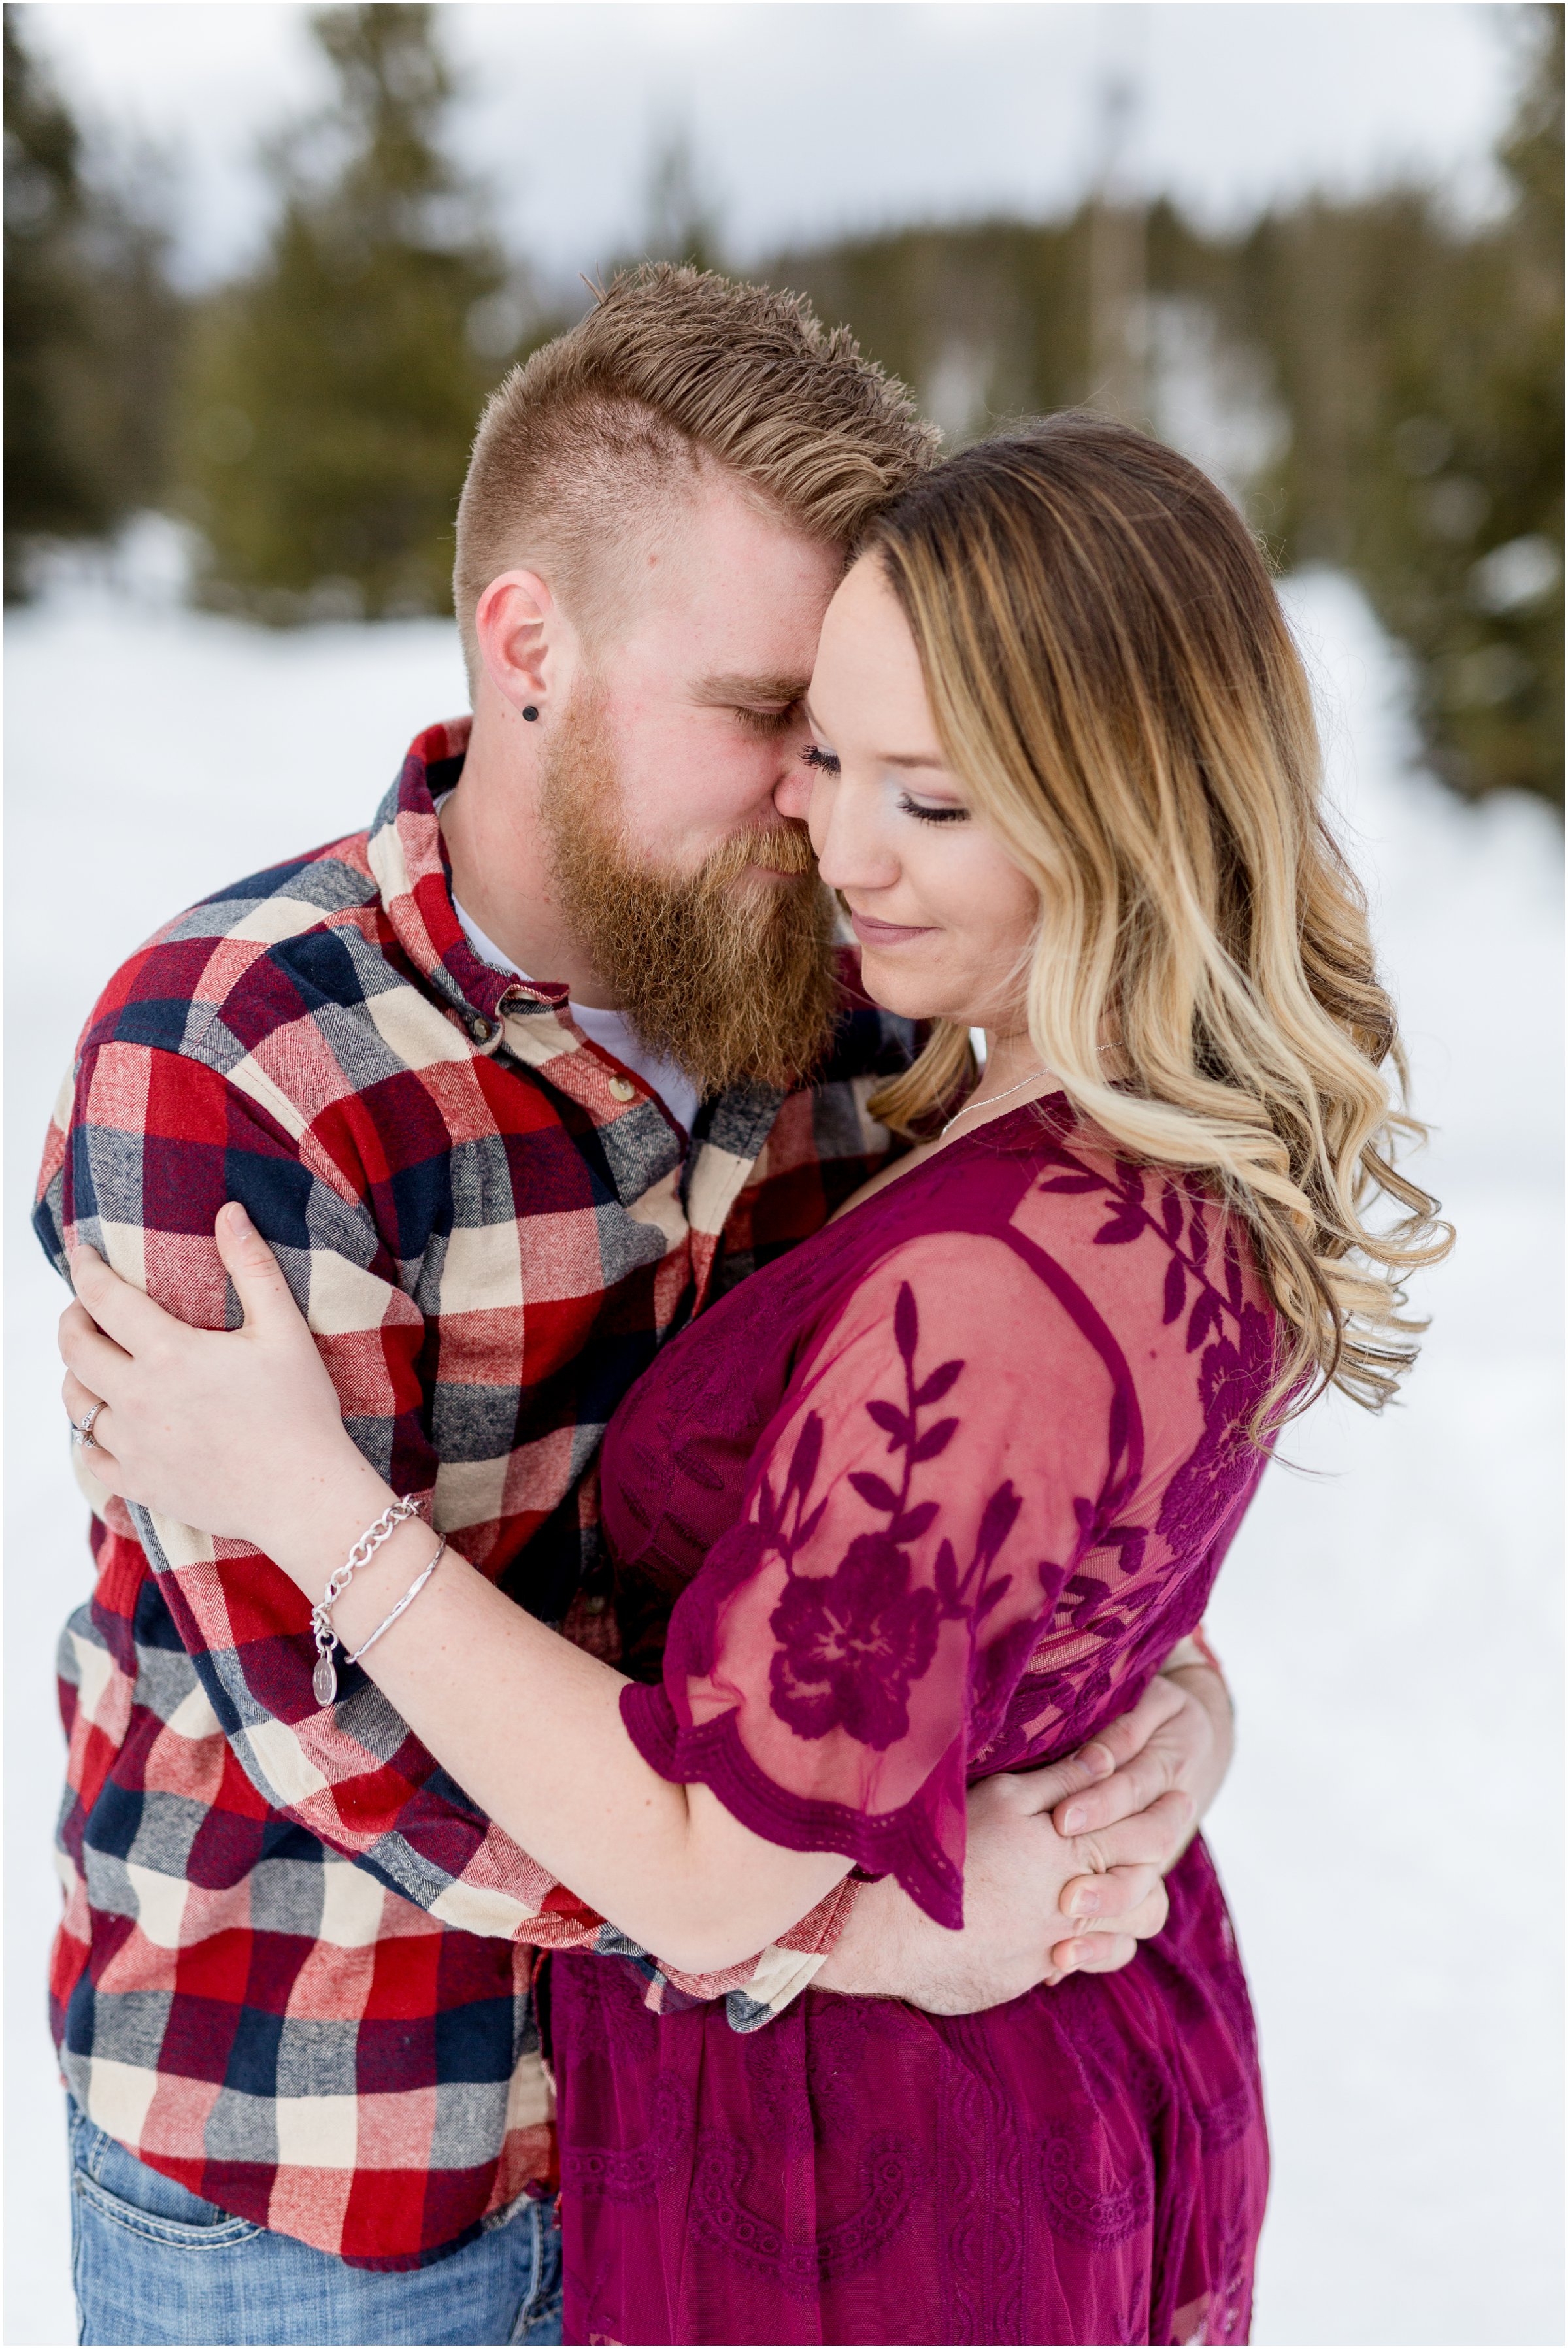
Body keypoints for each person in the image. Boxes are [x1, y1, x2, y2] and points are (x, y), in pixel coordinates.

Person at [58, 412, 1452, 2346]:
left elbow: (1008, 1514)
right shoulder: (243, 1056)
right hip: (357, 2165)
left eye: (907, 776)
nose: (828, 822)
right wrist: (853, 1909)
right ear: (529, 644)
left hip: (827, 2150)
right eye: (787, 725)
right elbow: (318, 1711)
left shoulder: (874, 992)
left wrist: (1158, 1703)